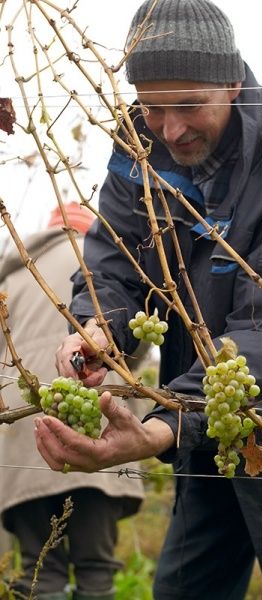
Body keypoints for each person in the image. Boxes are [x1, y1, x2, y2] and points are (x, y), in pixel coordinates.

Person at [34, 1, 262, 598]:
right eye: (152, 107)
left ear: (232, 83)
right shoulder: (136, 154)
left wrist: (167, 423)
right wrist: (98, 329)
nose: (169, 129)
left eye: (188, 105)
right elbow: (114, 266)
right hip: (208, 437)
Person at [0, 202, 145, 600]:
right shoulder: (105, 268)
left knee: (37, 570)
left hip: (26, 443)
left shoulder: (12, 277)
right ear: (90, 230)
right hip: (99, 437)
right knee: (96, 569)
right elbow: (135, 349)